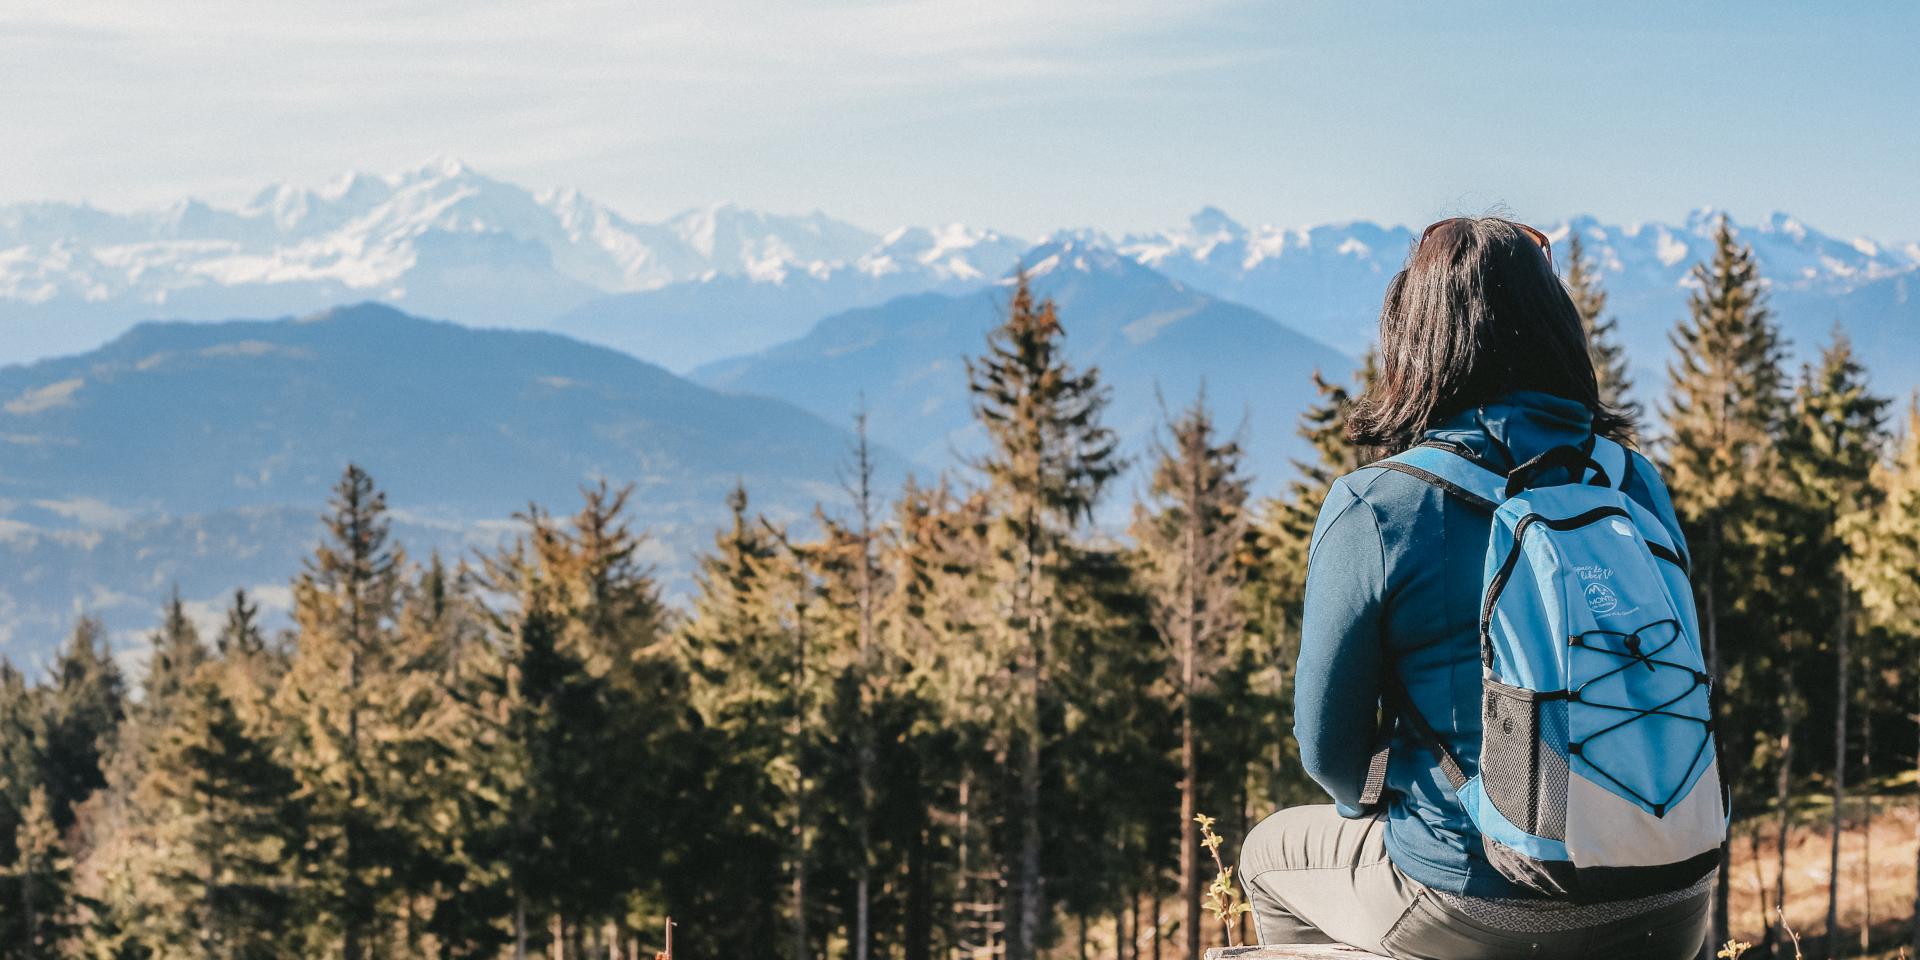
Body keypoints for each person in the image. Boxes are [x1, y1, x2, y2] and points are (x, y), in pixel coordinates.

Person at [1238, 217, 1713, 960]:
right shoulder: (1631, 481)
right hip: (1673, 893)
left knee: (1268, 854)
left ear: (1415, 340)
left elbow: (1328, 751)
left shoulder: (1380, 504)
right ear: (1559, 329)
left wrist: (1382, 804)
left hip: (1473, 898)